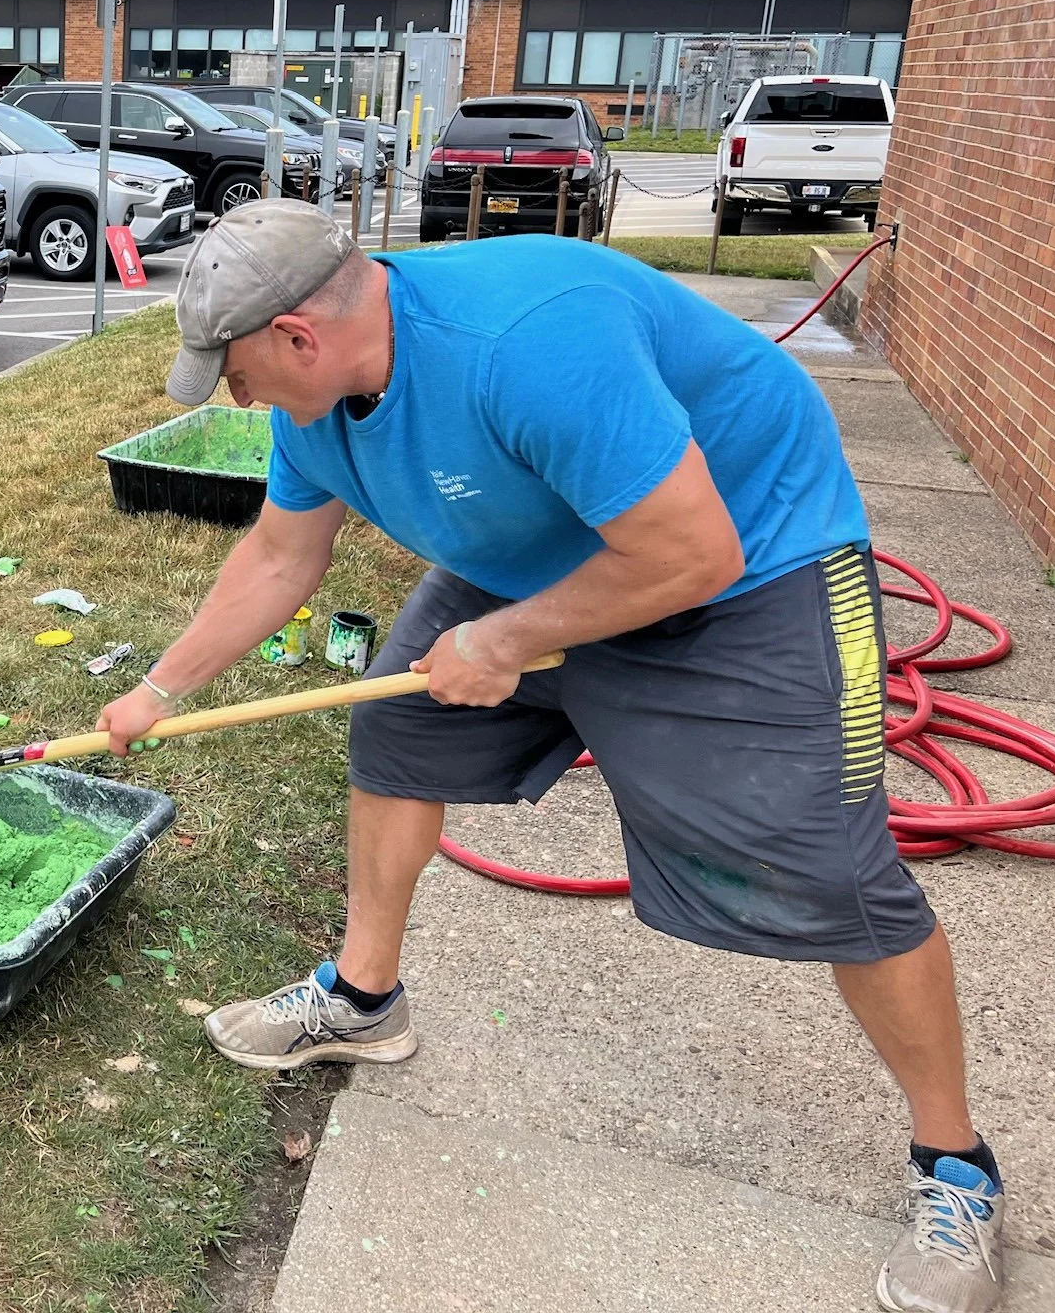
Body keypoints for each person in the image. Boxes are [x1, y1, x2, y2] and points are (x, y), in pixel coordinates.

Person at [97, 201, 1003, 1313]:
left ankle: (954, 1168)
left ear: (296, 335)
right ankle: (363, 1000)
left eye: (233, 373)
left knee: (826, 871)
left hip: (747, 561)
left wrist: (513, 637)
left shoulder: (526, 342)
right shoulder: (317, 398)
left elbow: (690, 551)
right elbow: (282, 554)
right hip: (539, 542)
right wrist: (155, 691)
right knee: (400, 735)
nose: (232, 399)